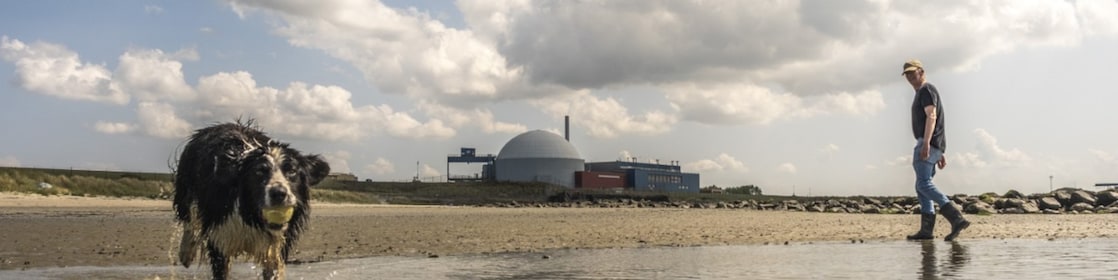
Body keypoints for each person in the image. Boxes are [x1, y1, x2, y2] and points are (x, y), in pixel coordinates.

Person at [902, 59, 970, 241]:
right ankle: (926, 231)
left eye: (912, 72)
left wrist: (927, 144)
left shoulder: (926, 89)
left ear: (921, 71)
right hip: (934, 145)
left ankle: (956, 218)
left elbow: (932, 116)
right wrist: (939, 150)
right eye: (907, 74)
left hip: (927, 143)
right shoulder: (923, 92)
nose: (909, 77)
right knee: (921, 186)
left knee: (923, 184)